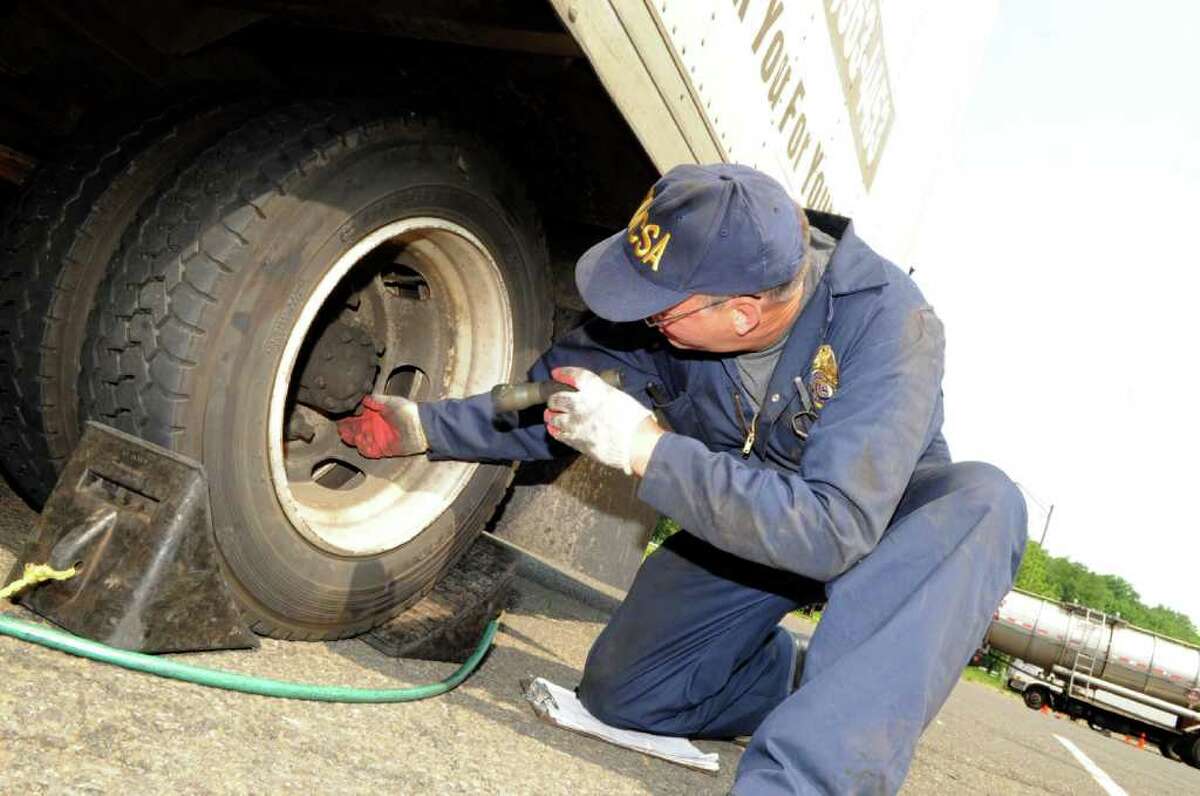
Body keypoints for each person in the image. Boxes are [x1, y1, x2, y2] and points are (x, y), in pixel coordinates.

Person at [337, 164, 1028, 794]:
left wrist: (647, 449)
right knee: (625, 695)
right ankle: (791, 677)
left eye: (662, 307)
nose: (640, 318)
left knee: (984, 501)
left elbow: (832, 529)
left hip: (869, 525)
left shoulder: (890, 322)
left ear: (742, 313)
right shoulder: (666, 321)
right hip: (741, 510)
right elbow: (554, 399)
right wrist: (423, 429)